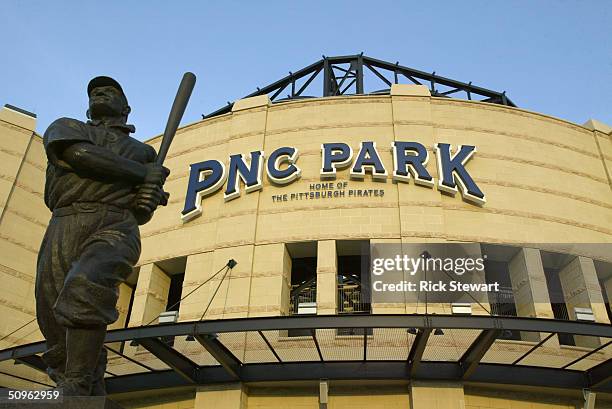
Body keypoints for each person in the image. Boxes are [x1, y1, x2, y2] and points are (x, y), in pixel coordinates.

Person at [35, 76, 169, 396]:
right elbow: (80, 156)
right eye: (95, 91)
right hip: (65, 222)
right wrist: (142, 176)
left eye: (109, 91)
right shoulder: (67, 127)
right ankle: (84, 376)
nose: (100, 93)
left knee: (86, 283)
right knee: (51, 312)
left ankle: (78, 380)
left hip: (115, 224)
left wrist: (147, 197)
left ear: (126, 107)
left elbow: (141, 212)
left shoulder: (143, 152)